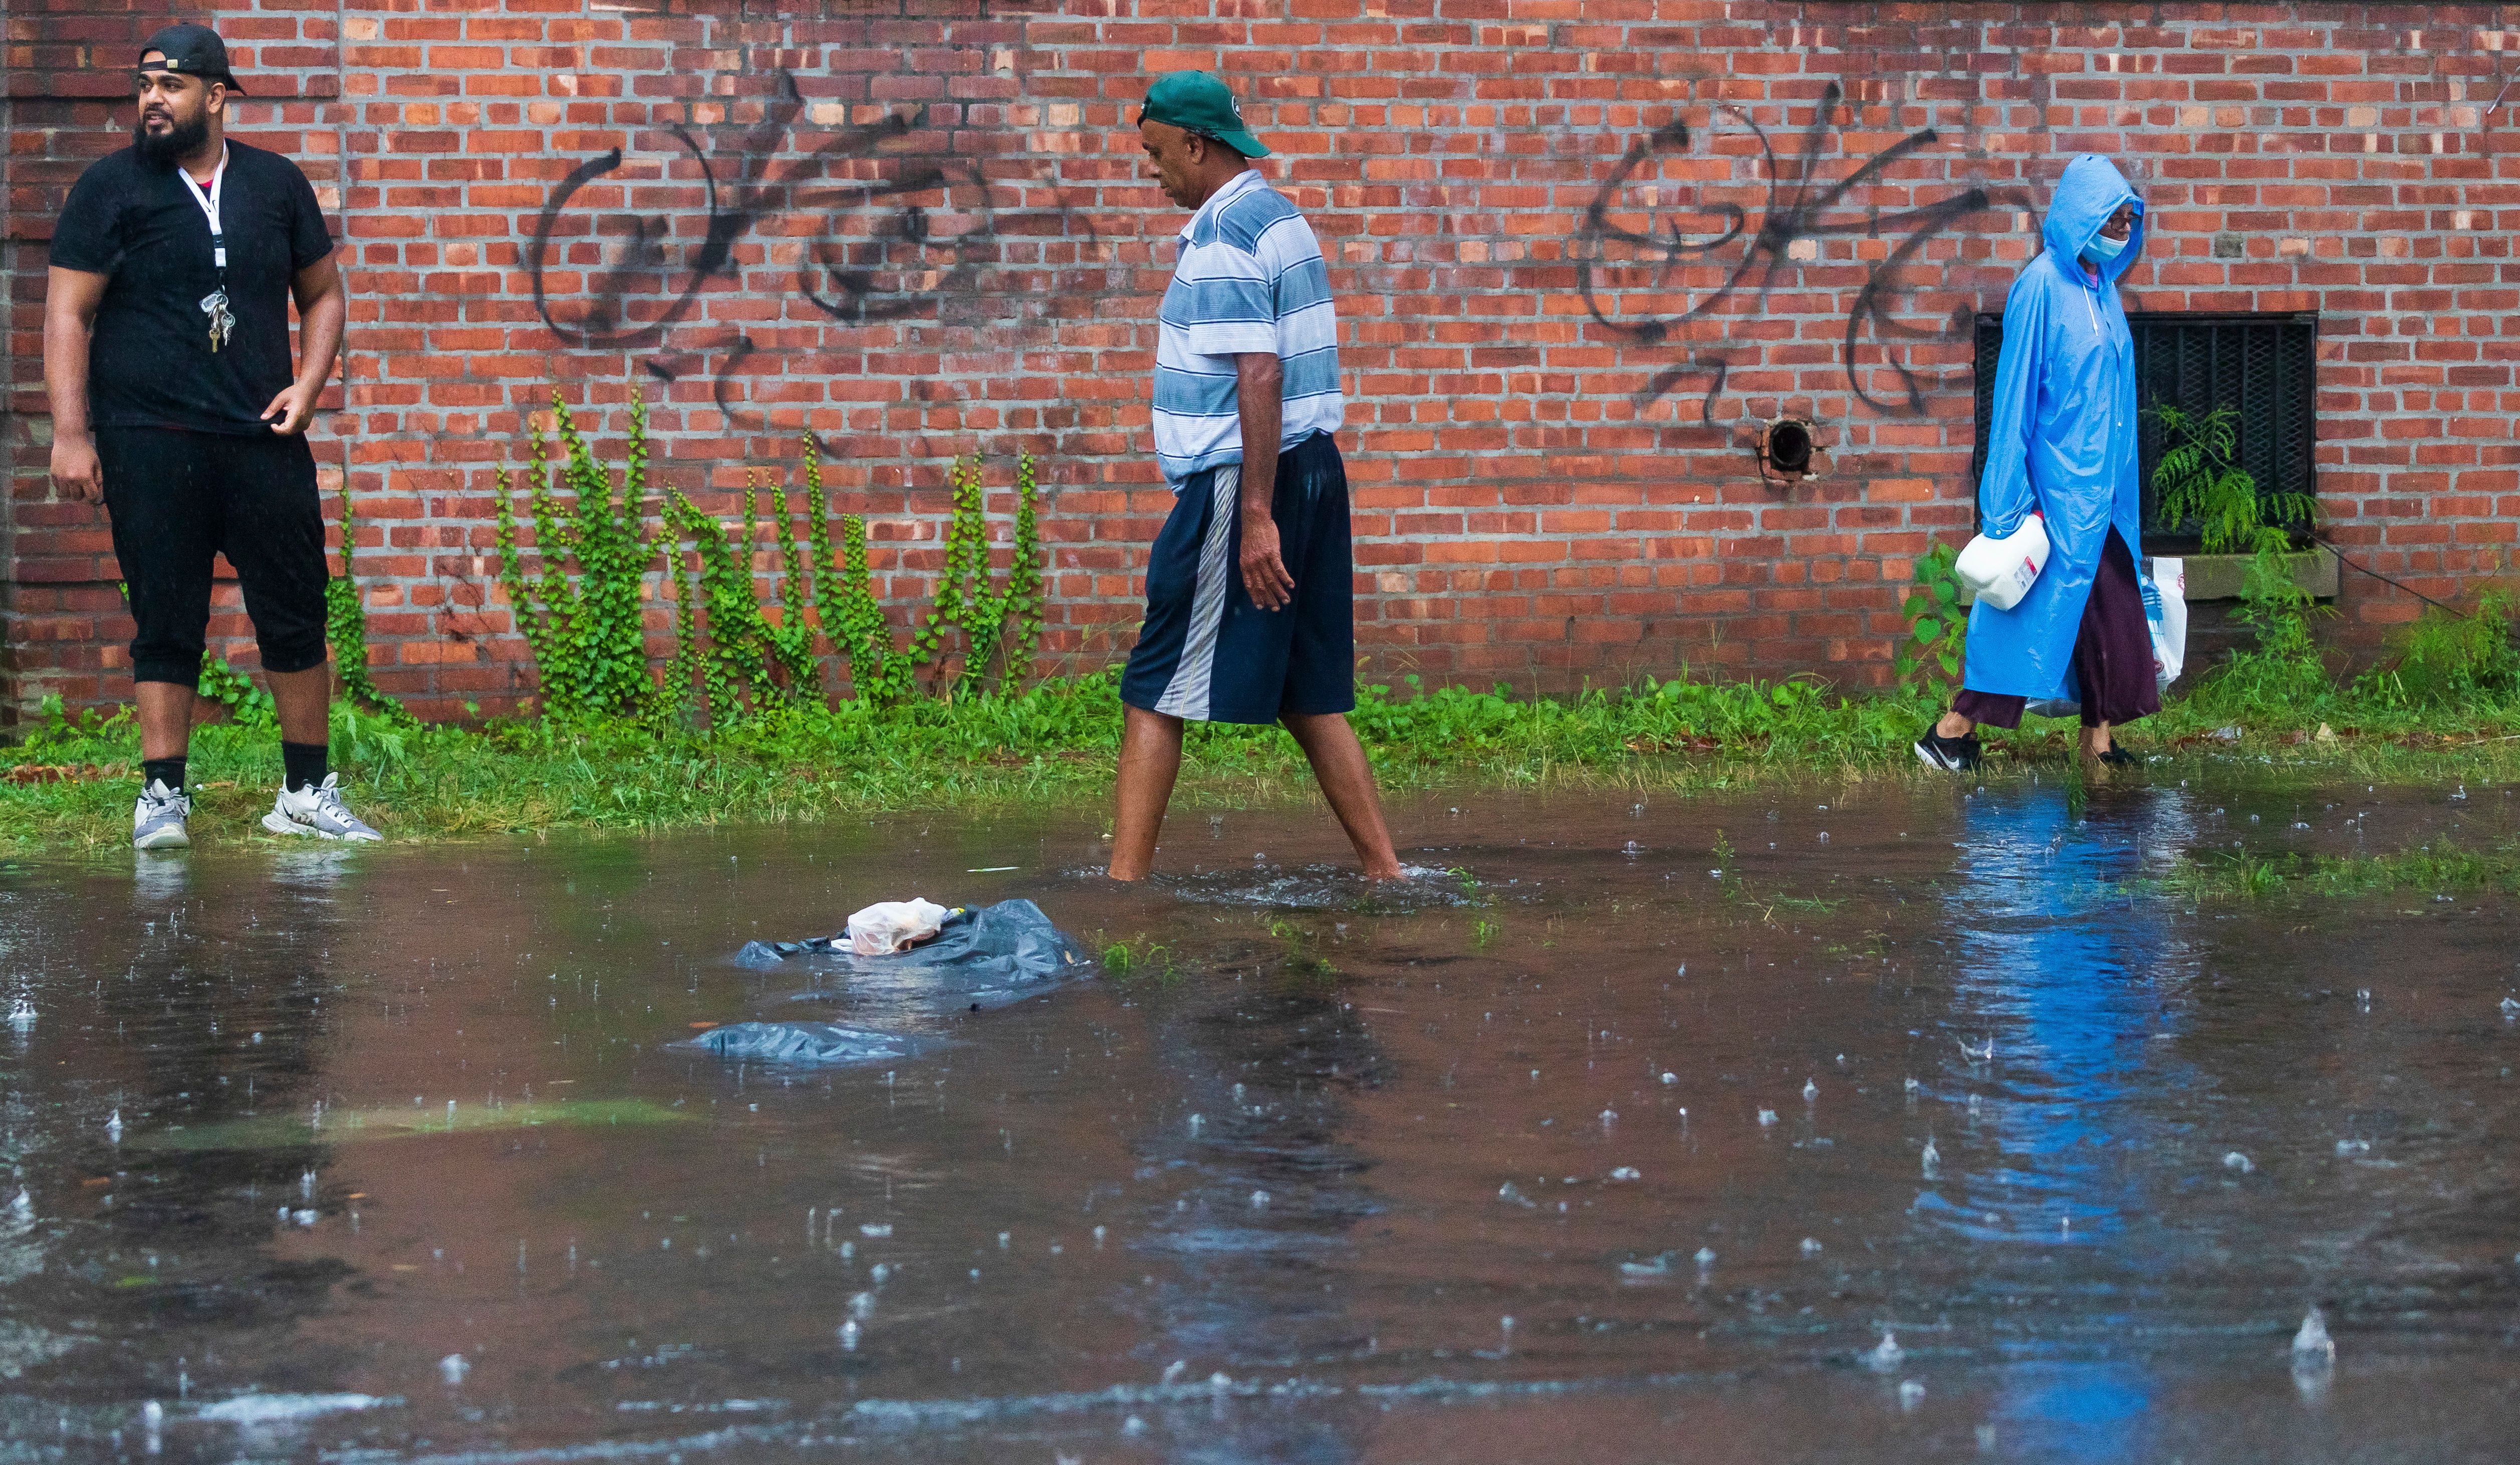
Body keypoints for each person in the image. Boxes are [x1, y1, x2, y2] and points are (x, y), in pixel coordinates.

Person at [44, 24, 379, 847]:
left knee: (296, 611)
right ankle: (162, 798)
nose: (152, 101)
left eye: (173, 85)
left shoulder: (276, 185)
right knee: (166, 618)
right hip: (148, 438)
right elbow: (67, 312)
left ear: (217, 95)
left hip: (262, 439)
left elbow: (326, 296)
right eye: (145, 86)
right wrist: (70, 433)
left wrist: (309, 384)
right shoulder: (108, 189)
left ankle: (304, 792)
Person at [1108, 71, 1401, 883]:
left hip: (1243, 479)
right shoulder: (1281, 217)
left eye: (1157, 152)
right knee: (1309, 691)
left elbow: (1260, 375)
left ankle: (1123, 891)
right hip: (1313, 472)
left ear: (1197, 144)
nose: (1152, 168)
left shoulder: (1223, 235)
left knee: (1156, 682)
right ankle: (1386, 870)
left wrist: (1256, 515)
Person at [1915, 154, 2158, 774]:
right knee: (2028, 619)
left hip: (2099, 496)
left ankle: (2097, 742)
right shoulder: (2039, 288)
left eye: (2130, 218)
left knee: (2110, 613)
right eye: (2112, 217)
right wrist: (2006, 501)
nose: (2122, 229)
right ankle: (1950, 731)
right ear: (2080, 214)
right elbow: (2015, 399)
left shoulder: (2104, 294)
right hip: (2052, 498)